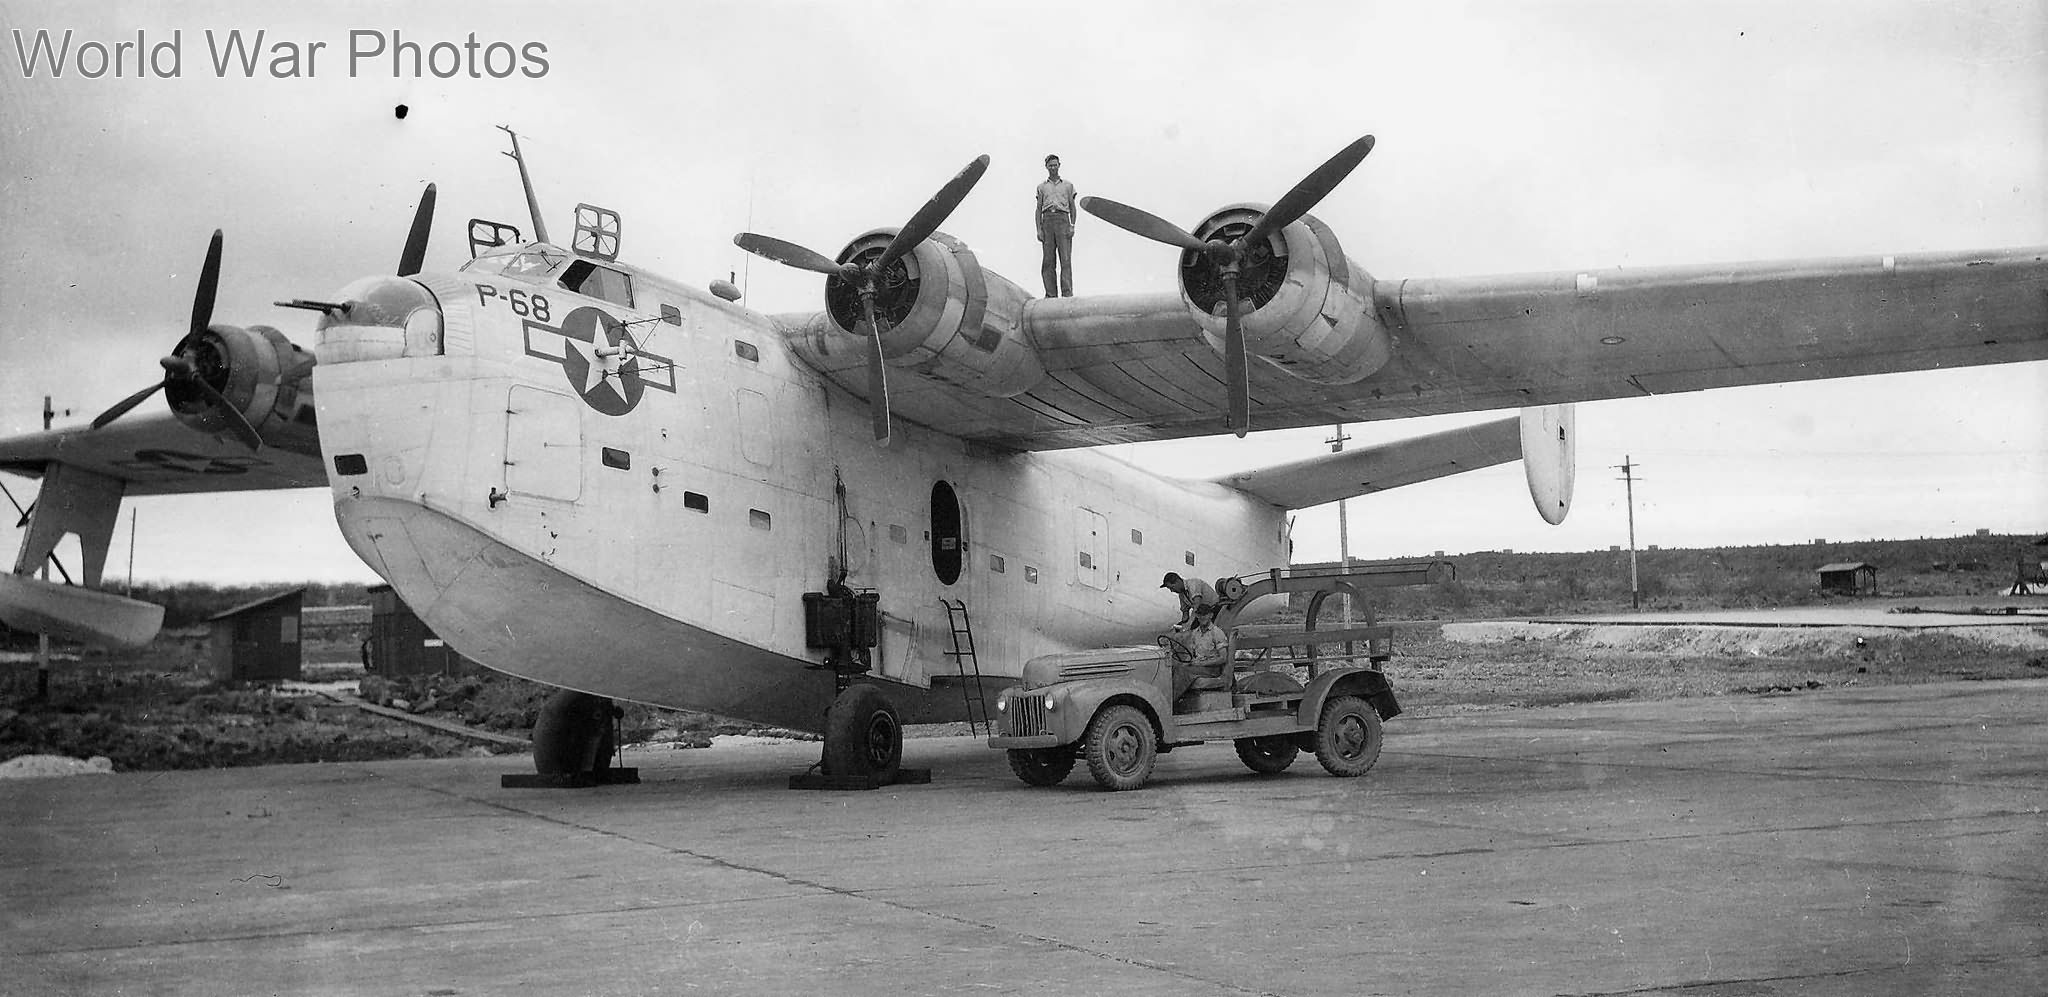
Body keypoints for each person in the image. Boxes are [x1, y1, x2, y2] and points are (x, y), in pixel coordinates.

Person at [1034, 153, 1076, 297]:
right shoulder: (1041, 187)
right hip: (1047, 220)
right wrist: (1039, 229)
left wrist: (1072, 225)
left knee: (1065, 259)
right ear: (1046, 167)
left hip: (1063, 219)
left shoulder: (1068, 185)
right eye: (1050, 165)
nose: (1053, 167)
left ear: (1059, 165)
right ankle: (1050, 294)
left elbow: (1072, 206)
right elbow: (1038, 209)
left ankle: (1067, 294)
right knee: (1048, 261)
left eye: (1055, 165)